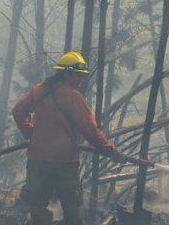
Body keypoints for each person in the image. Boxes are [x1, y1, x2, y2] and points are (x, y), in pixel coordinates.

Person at [12, 51, 126, 225]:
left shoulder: (39, 90)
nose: (80, 80)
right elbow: (90, 130)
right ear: (66, 73)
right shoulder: (73, 97)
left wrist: (30, 133)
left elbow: (18, 110)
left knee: (36, 206)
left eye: (82, 76)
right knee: (72, 211)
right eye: (77, 75)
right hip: (64, 163)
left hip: (38, 160)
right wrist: (110, 151)